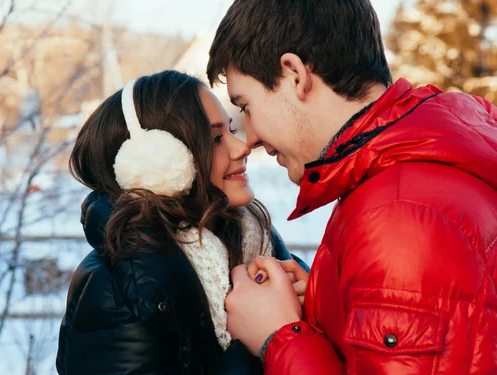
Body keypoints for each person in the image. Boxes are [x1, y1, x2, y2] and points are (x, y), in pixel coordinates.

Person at [206, 0, 497, 373]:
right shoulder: (407, 173)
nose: (251, 139)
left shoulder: (399, 216)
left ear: (294, 74)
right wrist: (331, 302)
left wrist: (279, 336)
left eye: (246, 106)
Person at [55, 70, 309, 375]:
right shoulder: (118, 290)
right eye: (215, 139)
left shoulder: (258, 246)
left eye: (230, 130)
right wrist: (261, 340)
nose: (242, 148)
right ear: (160, 163)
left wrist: (319, 306)